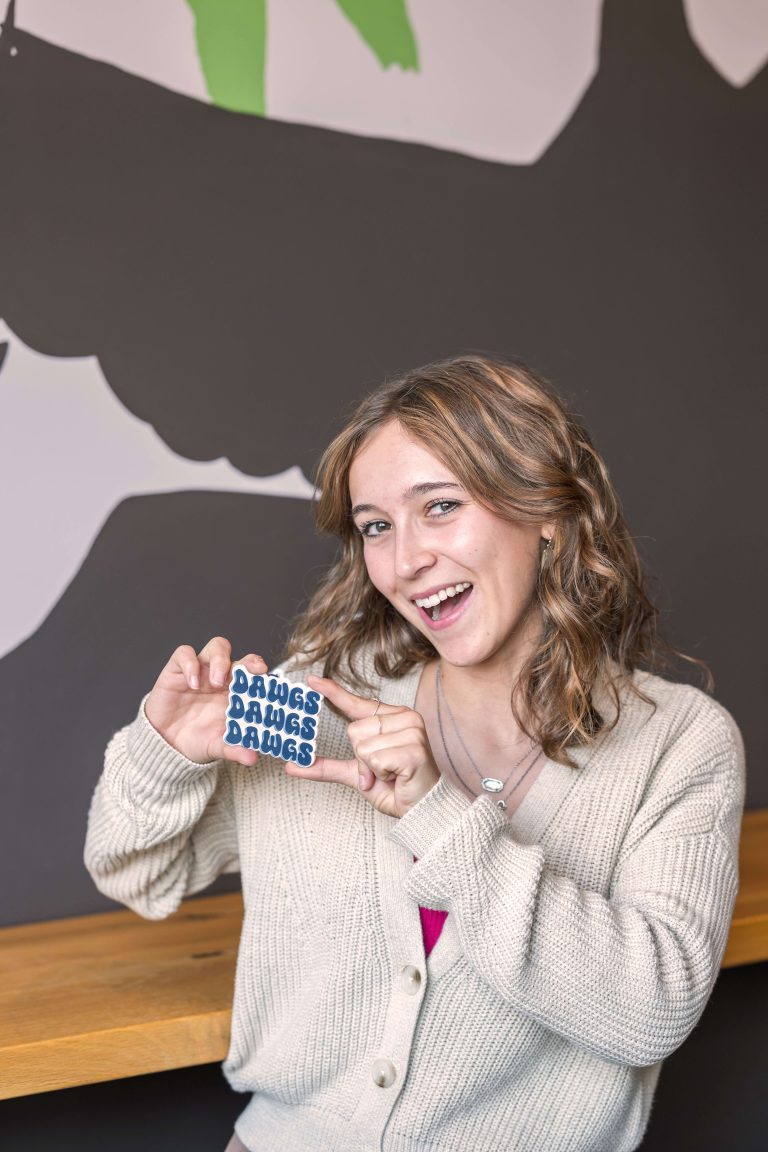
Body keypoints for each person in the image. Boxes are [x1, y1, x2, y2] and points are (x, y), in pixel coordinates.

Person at [85, 355, 744, 1152]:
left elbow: (651, 1011)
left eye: (440, 506)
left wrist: (439, 815)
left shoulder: (678, 740)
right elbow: (138, 872)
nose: (405, 561)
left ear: (545, 510)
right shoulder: (319, 701)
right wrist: (168, 752)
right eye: (377, 526)